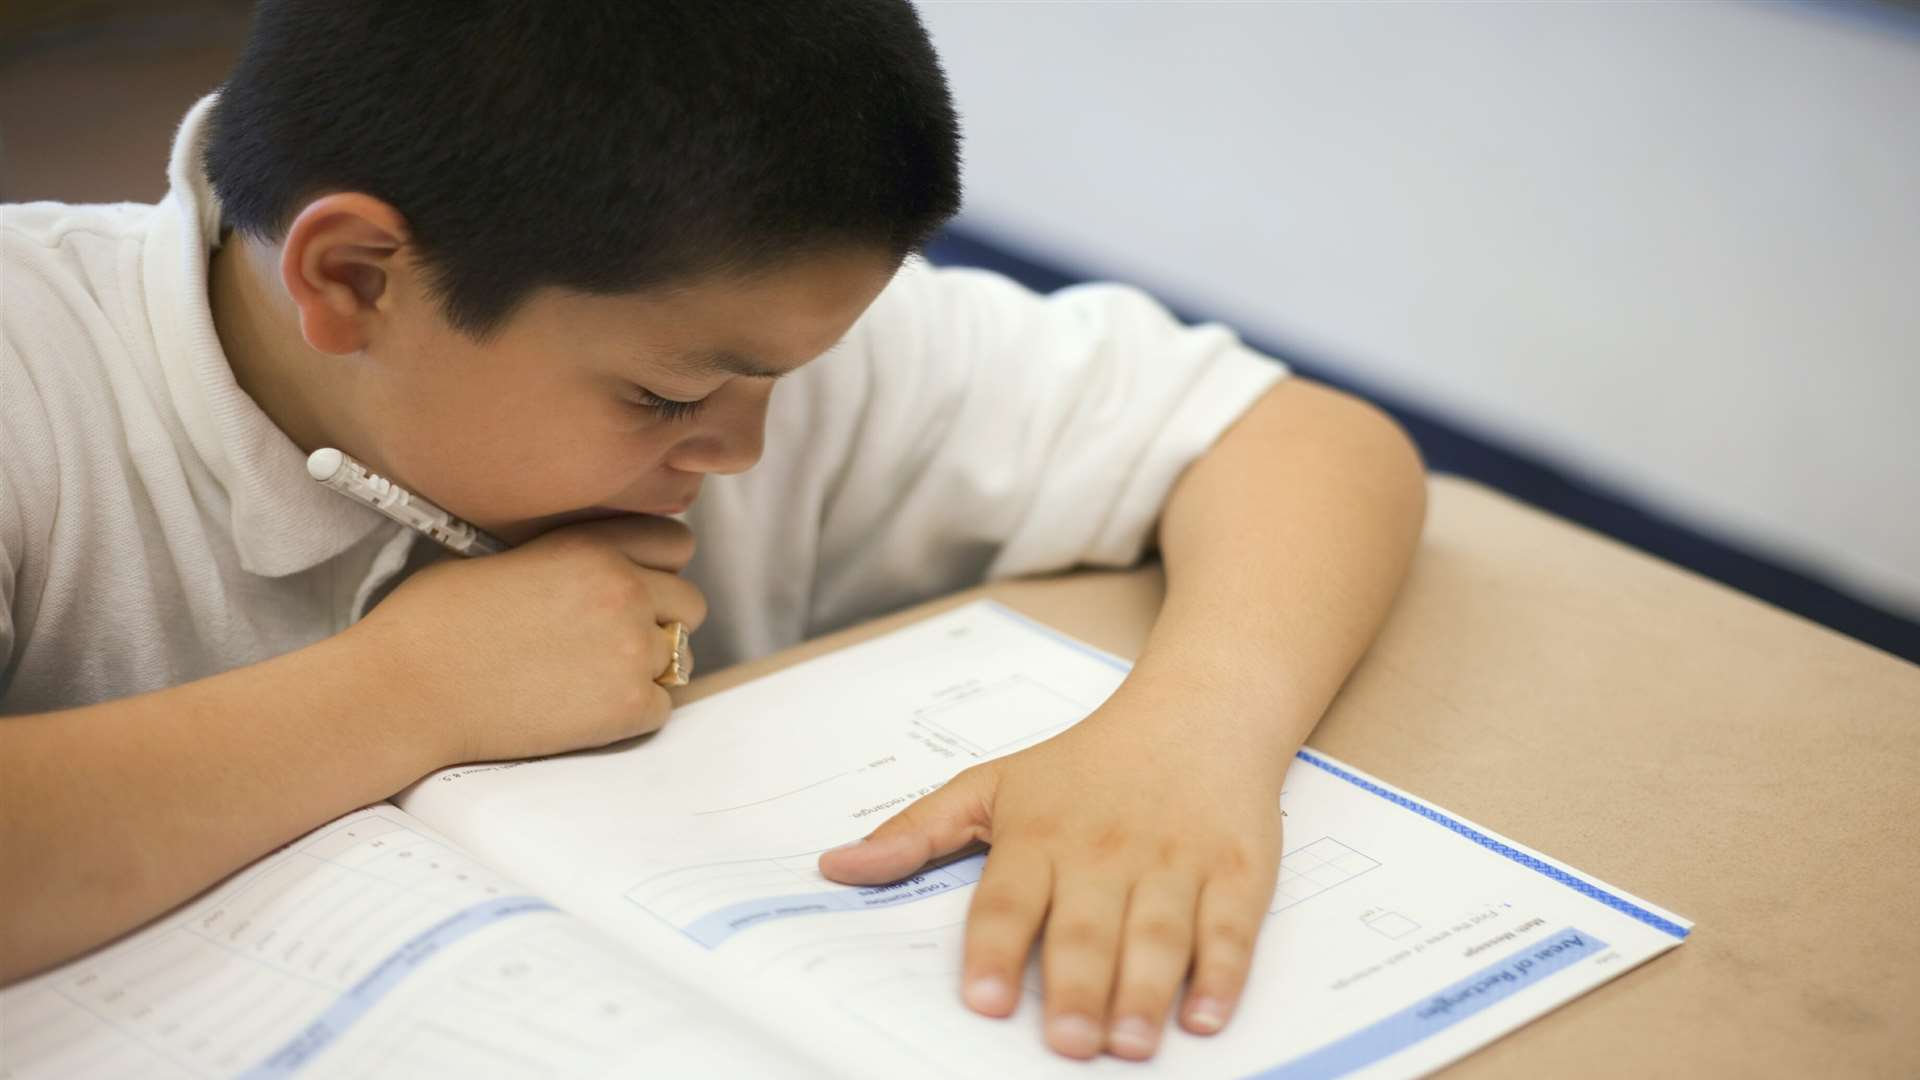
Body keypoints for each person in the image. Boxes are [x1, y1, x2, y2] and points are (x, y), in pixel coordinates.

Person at [0, 0, 1425, 1063]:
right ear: (358, 276)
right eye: (665, 396)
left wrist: (1192, 732)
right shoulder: (31, 375)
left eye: (774, 382)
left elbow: (1304, 439)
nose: (744, 447)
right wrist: (400, 697)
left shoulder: (731, 317)